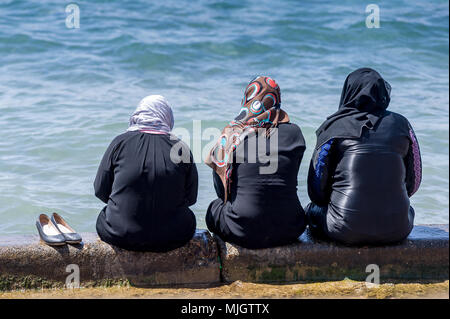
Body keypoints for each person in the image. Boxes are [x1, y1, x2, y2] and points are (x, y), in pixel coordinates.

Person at [306, 68, 422, 245]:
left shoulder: (333, 126)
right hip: (398, 228)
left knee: (311, 211)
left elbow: (316, 188)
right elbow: (415, 180)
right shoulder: (402, 124)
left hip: (343, 229)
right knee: (409, 210)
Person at [205, 76, 307, 249]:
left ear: (247, 99)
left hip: (243, 229)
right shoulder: (295, 134)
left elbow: (222, 192)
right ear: (277, 100)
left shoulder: (232, 134)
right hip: (291, 227)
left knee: (213, 209)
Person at [94, 95, 198, 252]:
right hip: (174, 236)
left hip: (120, 234)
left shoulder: (119, 143)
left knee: (105, 215)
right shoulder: (181, 147)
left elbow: (100, 191)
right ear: (167, 117)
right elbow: (191, 199)